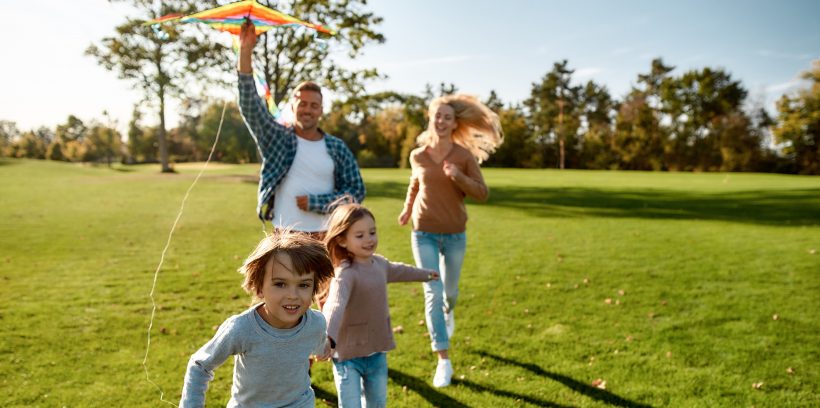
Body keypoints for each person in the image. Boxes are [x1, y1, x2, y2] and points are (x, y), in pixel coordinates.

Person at [397, 94, 503, 387]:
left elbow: (482, 192)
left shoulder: (463, 156)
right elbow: (415, 183)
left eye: (447, 117)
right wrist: (407, 209)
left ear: (455, 123)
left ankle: (450, 309)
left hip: (455, 235)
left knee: (449, 293)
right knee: (432, 291)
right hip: (424, 233)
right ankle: (443, 359)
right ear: (430, 119)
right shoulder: (417, 155)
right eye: (437, 116)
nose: (441, 121)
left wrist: (458, 177)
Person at [237, 20, 365, 238]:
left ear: (321, 110)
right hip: (285, 235)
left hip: (328, 235)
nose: (307, 110)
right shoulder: (277, 137)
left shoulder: (336, 147)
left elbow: (357, 190)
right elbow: (250, 104)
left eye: (314, 105)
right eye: (302, 104)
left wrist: (318, 203)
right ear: (292, 107)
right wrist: (245, 50)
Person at [179, 231, 335, 408]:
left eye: (303, 285)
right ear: (260, 288)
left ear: (314, 288)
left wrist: (325, 348)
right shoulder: (241, 329)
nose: (293, 295)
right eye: (280, 284)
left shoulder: (316, 323)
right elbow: (200, 365)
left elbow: (320, 343)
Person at [321, 203, 439, 407]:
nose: (369, 239)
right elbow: (335, 306)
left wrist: (426, 274)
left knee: (377, 403)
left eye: (372, 232)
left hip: (376, 352)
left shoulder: (380, 264)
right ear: (342, 240)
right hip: (348, 357)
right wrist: (328, 338)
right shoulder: (346, 274)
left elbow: (401, 271)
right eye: (359, 235)